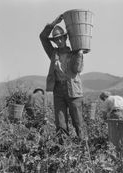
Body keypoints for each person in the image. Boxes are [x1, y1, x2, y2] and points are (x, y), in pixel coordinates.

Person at [39, 14, 86, 142]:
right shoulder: (53, 53)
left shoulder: (74, 53)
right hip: (58, 89)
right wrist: (53, 23)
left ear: (65, 38)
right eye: (56, 39)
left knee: (78, 122)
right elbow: (43, 37)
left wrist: (80, 54)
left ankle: (83, 148)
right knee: (60, 123)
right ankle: (64, 151)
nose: (59, 41)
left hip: (74, 91)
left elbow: (77, 69)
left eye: (61, 38)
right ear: (54, 41)